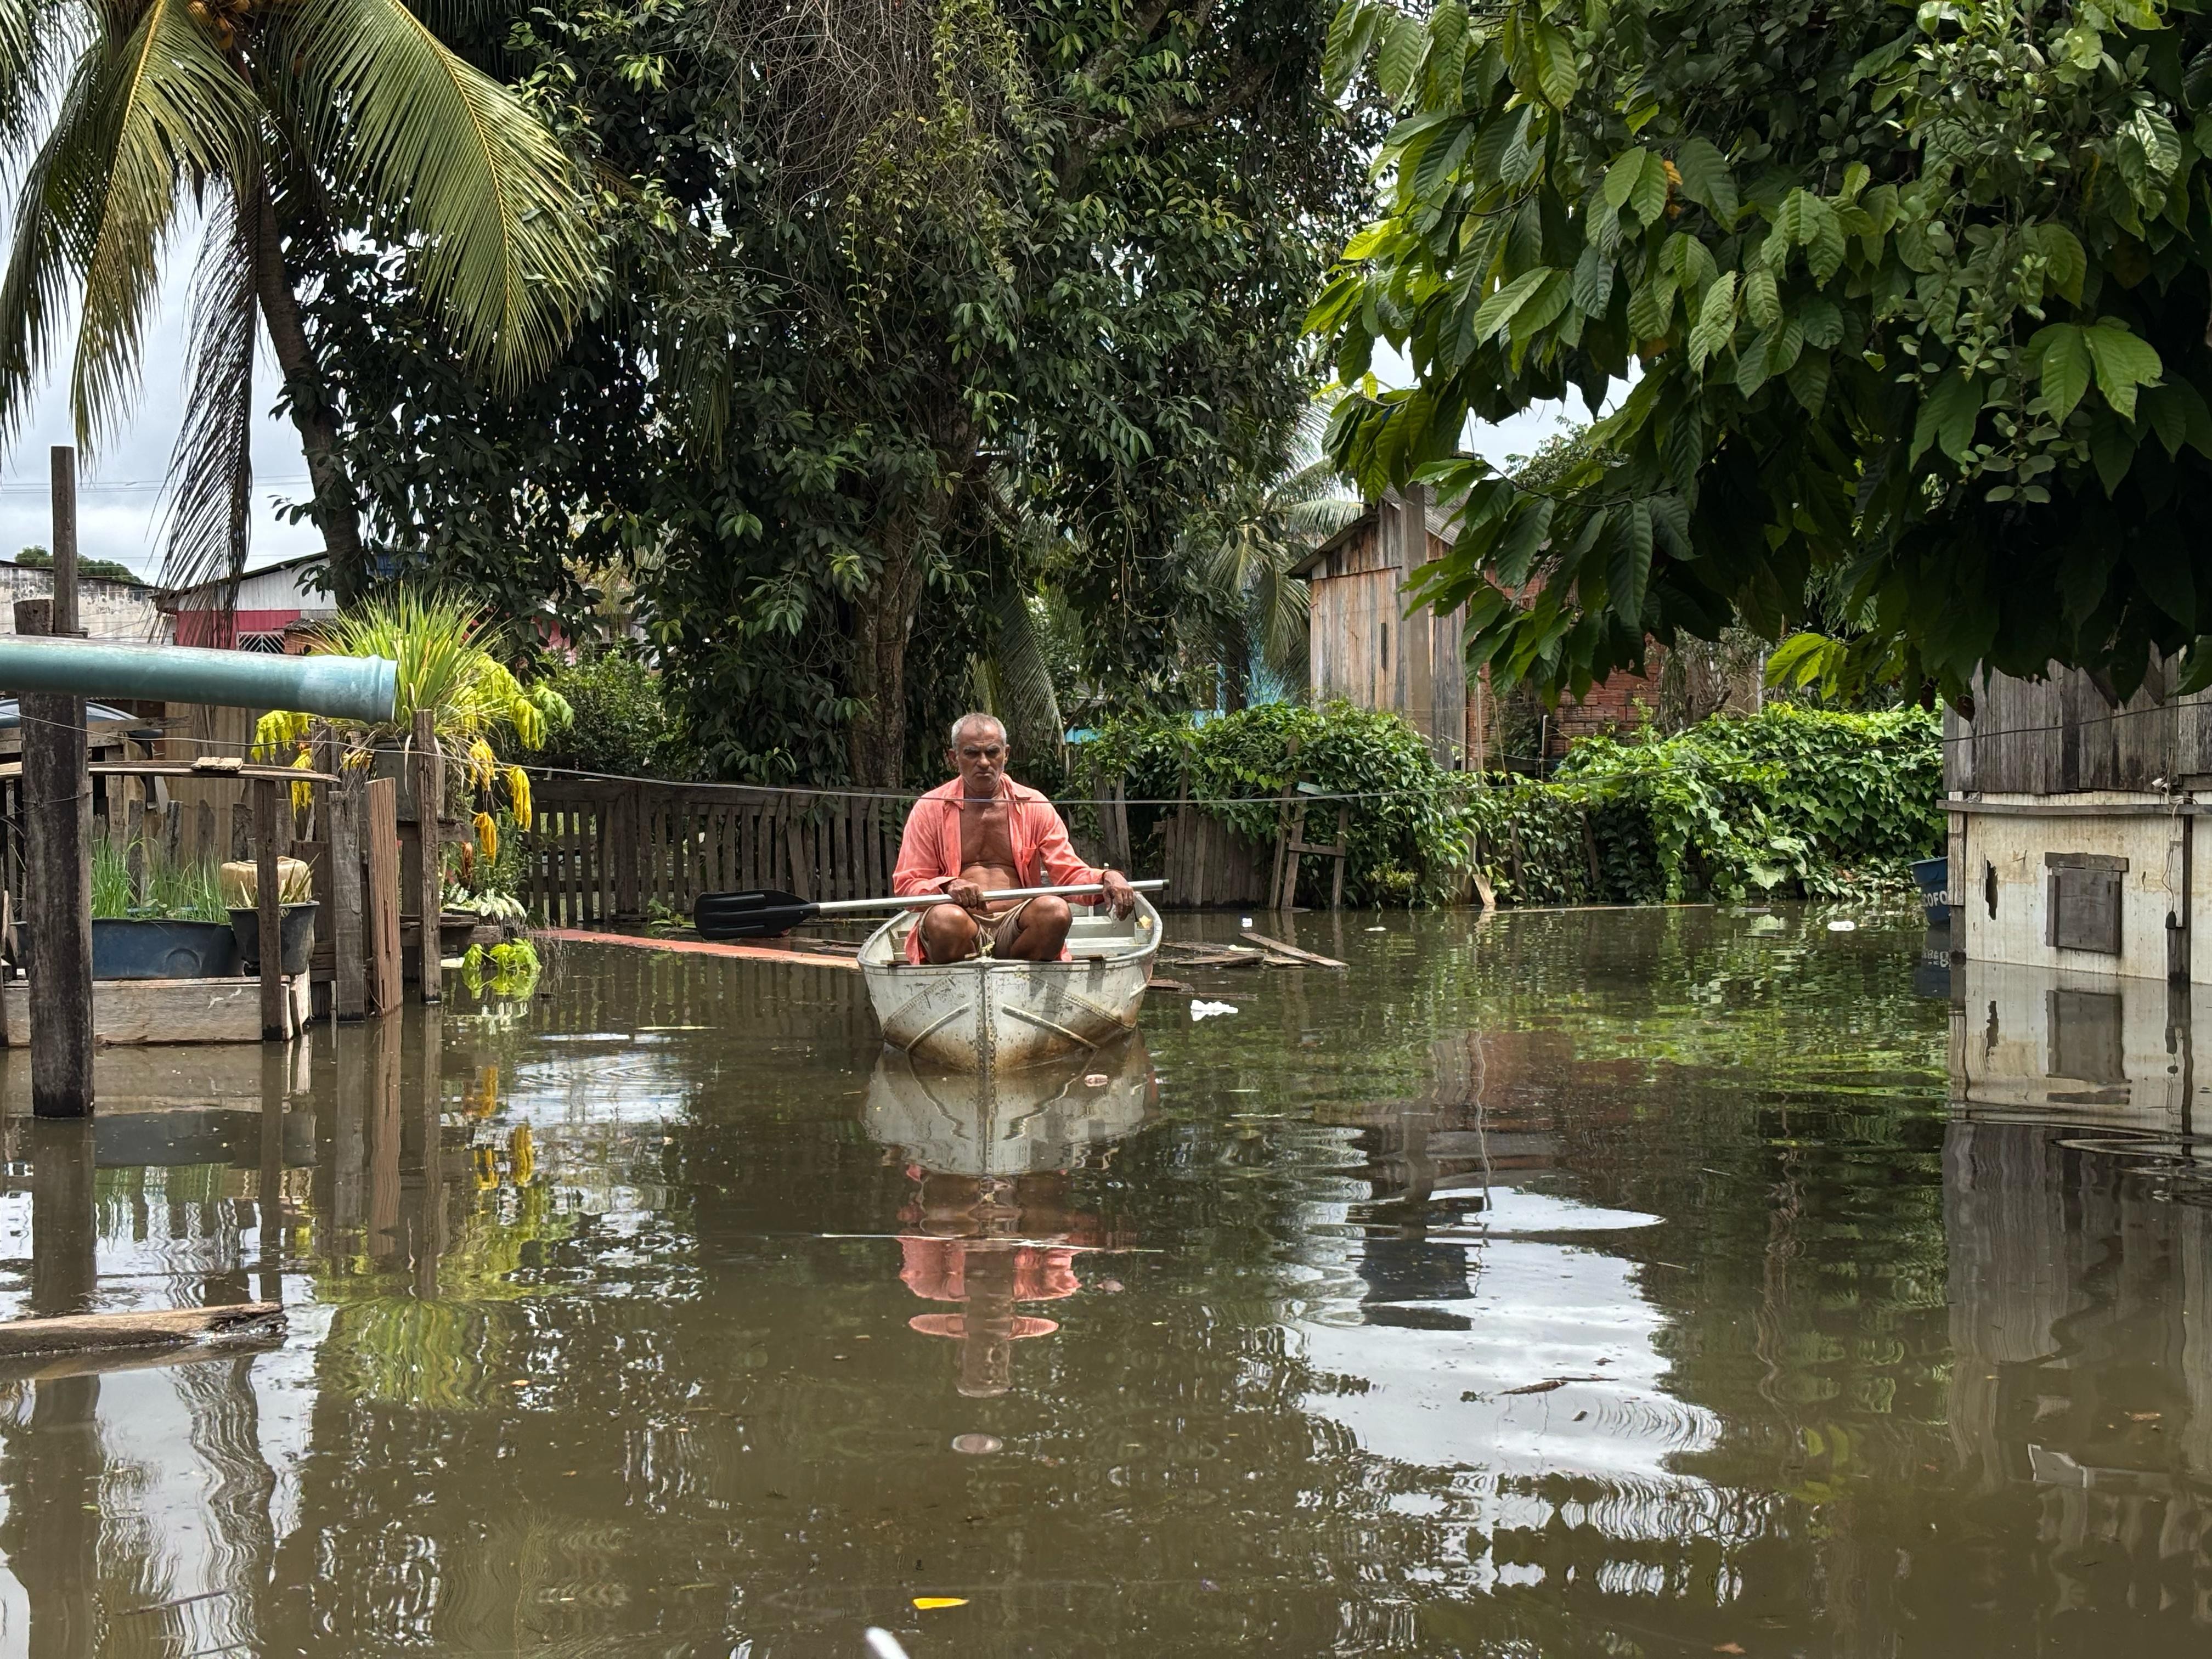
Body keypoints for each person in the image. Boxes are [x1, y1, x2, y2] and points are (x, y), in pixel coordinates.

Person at [890, 712, 1136, 963]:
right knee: (944, 921)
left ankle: (1018, 975)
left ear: (1006, 754)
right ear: (954, 757)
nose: (984, 762)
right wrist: (948, 885)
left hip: (1018, 928)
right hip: (960, 926)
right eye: (972, 753)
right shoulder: (930, 807)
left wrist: (1108, 877)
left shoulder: (1034, 804)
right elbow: (908, 885)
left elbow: (1068, 875)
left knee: (1055, 912)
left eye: (993, 752)